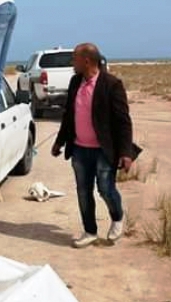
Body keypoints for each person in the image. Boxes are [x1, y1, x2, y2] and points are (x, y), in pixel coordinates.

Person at [50, 43, 137, 249]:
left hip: (104, 150)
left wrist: (126, 152)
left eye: (74, 59)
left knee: (106, 189)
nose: (72, 63)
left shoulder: (111, 84)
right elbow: (68, 116)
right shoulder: (74, 82)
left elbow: (123, 121)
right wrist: (60, 141)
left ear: (86, 61)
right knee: (83, 191)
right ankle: (90, 231)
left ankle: (117, 217)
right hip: (80, 149)